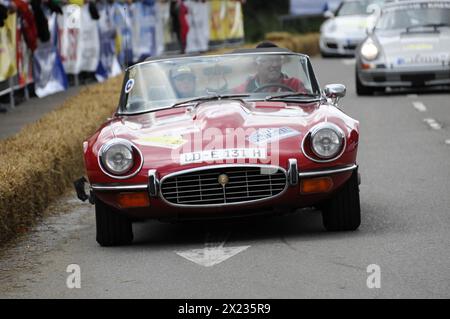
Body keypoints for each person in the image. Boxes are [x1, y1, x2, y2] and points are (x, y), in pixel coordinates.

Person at [234, 53, 307, 94]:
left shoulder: (294, 84)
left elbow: (309, 105)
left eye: (278, 60)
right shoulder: (246, 87)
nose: (275, 65)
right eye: (269, 60)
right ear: (257, 65)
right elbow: (230, 100)